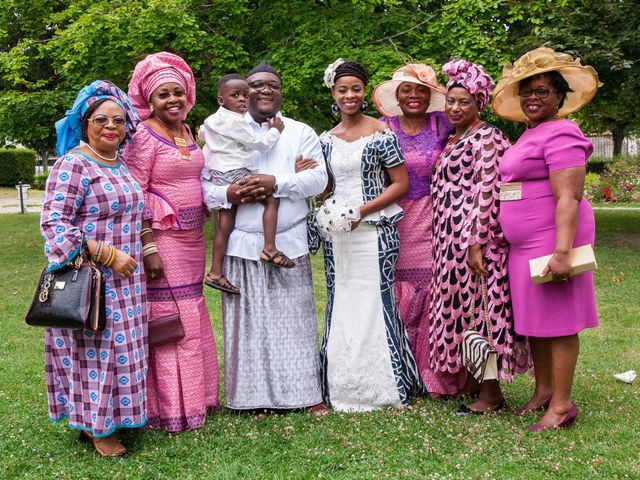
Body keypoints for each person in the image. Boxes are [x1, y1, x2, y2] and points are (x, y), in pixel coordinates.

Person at [201, 61, 328, 417]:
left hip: (289, 241)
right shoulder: (223, 130)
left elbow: (318, 181)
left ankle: (306, 394)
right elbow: (206, 185)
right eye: (256, 84)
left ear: (281, 91)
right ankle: (255, 398)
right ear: (243, 92)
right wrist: (230, 192)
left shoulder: (300, 131)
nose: (265, 89)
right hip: (241, 243)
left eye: (273, 84)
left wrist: (279, 182)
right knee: (249, 326)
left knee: (296, 322)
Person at [492, 47, 601, 430]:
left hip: (552, 238)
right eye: (527, 91)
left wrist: (562, 251)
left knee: (559, 321)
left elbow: (568, 197)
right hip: (523, 243)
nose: (532, 98)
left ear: (559, 97)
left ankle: (562, 405)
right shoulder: (530, 133)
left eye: (542, 91)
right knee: (534, 318)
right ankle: (542, 391)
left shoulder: (563, 131)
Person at [41, 80, 145, 456]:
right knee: (94, 353)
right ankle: (96, 429)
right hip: (91, 280)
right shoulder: (74, 164)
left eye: (118, 120)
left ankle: (112, 416)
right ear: (85, 123)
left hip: (127, 284)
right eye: (101, 119)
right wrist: (106, 254)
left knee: (120, 353)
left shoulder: (120, 163)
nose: (111, 127)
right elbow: (54, 223)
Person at [314, 59, 423, 412]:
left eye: (355, 89)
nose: (349, 95)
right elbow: (327, 187)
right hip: (338, 236)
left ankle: (387, 384)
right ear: (333, 92)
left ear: (364, 92)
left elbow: (401, 184)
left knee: (375, 301)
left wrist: (361, 211)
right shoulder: (325, 140)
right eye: (342, 89)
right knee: (341, 300)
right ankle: (341, 385)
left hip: (374, 232)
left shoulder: (381, 133)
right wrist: (313, 184)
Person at [123, 52, 220, 432]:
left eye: (178, 92)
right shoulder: (142, 136)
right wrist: (147, 248)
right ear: (150, 100)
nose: (173, 100)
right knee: (170, 321)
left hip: (194, 238)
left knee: (192, 314)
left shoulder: (186, 131)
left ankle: (197, 400)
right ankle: (167, 408)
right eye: (163, 94)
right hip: (162, 241)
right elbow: (135, 194)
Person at [427, 59, 530, 414]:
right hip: (449, 245)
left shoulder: (487, 137)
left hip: (475, 244)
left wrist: (475, 243)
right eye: (450, 101)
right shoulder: (455, 137)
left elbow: (489, 190)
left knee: (481, 314)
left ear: (479, 104)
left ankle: (491, 395)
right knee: (462, 313)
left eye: (464, 102)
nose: (455, 108)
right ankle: (474, 380)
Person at [372, 63, 452, 386]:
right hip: (394, 217)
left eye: (421, 90)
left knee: (431, 290)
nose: (414, 96)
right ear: (397, 95)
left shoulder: (442, 125)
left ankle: (431, 375)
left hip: (433, 218)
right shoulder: (381, 127)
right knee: (396, 289)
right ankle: (399, 371)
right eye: (407, 90)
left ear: (431, 96)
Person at [199, 73, 290, 295]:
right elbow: (259, 144)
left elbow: (203, 133)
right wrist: (275, 130)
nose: (242, 100)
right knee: (272, 197)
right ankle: (269, 248)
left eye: (245, 96)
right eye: (236, 95)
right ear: (222, 100)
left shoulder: (213, 120)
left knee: (225, 225)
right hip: (235, 171)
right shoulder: (234, 122)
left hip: (220, 173)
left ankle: (215, 272)